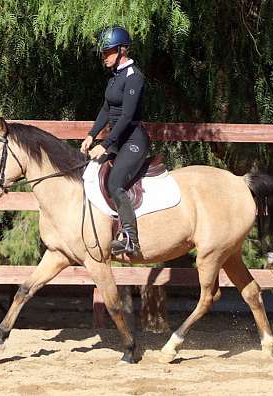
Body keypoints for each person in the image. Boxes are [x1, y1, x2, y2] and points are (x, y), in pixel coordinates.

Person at [80, 26, 149, 257]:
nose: (104, 56)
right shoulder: (115, 77)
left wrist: (105, 144)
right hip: (119, 140)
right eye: (103, 52)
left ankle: (131, 239)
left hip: (133, 140)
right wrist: (92, 134)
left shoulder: (134, 77)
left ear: (122, 50)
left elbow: (127, 117)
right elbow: (107, 109)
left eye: (108, 51)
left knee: (114, 182)